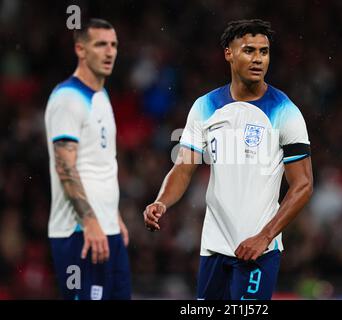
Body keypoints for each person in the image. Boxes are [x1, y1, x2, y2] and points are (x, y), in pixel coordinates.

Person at [143, 19, 313, 300]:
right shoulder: (205, 106)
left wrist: (265, 236)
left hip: (259, 250)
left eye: (264, 51)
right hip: (213, 247)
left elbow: (303, 185)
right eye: (249, 50)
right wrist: (161, 201)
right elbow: (183, 167)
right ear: (228, 54)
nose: (258, 59)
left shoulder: (286, 111)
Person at [44, 18, 131, 300]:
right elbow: (65, 165)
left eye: (114, 45)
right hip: (78, 233)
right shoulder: (68, 98)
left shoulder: (102, 95)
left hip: (106, 230)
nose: (110, 52)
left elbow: (100, 163)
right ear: (80, 50)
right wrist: (91, 221)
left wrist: (112, 216)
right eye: (101, 44)